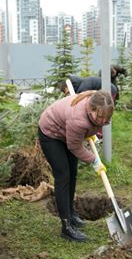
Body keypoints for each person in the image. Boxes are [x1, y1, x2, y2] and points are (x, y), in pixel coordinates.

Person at [38, 90, 114, 242]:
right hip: (51, 133)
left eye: (106, 119)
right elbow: (75, 147)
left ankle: (71, 214)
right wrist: (95, 160)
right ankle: (66, 227)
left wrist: (93, 131)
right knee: (63, 176)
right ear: (90, 110)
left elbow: (94, 124)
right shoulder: (78, 120)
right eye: (100, 117)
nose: (103, 121)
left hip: (67, 131)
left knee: (73, 173)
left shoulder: (99, 101)